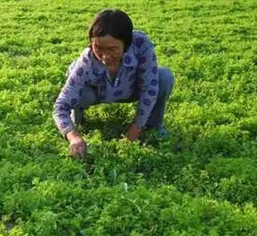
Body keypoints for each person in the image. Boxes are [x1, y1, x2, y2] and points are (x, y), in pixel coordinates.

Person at [53, 9, 174, 159]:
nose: (104, 56)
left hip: (129, 87)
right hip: (96, 92)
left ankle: (153, 125)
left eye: (112, 49)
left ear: (127, 45)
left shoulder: (141, 45)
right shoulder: (86, 61)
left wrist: (136, 128)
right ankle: (78, 115)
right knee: (80, 93)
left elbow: (149, 88)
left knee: (164, 77)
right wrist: (73, 137)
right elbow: (60, 106)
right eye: (98, 48)